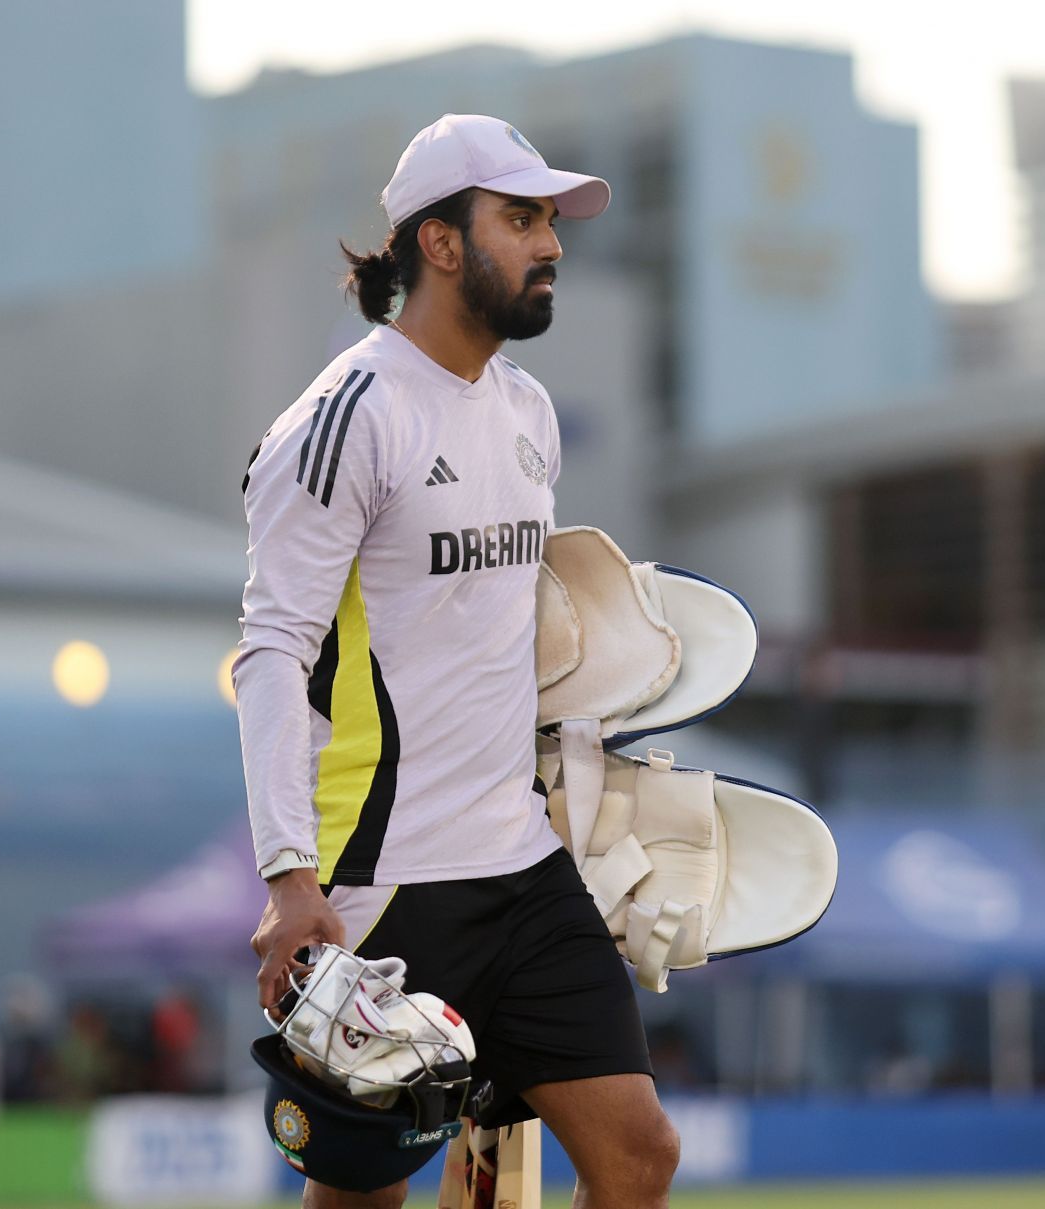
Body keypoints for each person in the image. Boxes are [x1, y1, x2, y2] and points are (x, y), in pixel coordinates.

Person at [236, 113, 680, 1208]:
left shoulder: (530, 414)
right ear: (438, 244)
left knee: (639, 1157)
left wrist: (580, 780)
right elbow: (272, 653)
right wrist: (291, 878)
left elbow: (499, 643)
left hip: (524, 870)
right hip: (385, 879)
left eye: (551, 220)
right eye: (521, 219)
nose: (553, 245)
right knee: (363, 1198)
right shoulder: (344, 419)